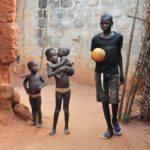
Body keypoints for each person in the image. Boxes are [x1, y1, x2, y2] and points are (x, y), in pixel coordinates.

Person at [91, 14, 124, 139]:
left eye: (106, 23)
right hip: (100, 73)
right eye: (102, 23)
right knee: (104, 100)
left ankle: (114, 120)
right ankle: (109, 128)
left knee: (114, 99)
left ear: (112, 23)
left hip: (114, 73)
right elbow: (93, 54)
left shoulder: (118, 37)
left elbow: (119, 55)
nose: (104, 25)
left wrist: (122, 72)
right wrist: (95, 57)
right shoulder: (96, 39)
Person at [45, 48, 74, 135]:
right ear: (48, 59)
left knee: (66, 109)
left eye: (54, 55)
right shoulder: (51, 66)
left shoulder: (63, 62)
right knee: (57, 110)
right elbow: (50, 74)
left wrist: (67, 67)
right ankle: (54, 128)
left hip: (67, 90)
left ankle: (66, 127)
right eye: (51, 57)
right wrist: (60, 69)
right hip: (59, 90)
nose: (53, 57)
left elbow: (72, 72)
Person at [23, 60, 46, 128]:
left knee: (38, 108)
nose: (36, 67)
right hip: (31, 95)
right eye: (34, 66)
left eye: (37, 65)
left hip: (38, 95)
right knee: (33, 108)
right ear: (29, 68)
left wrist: (41, 86)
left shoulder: (39, 75)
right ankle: (34, 121)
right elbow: (24, 82)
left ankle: (40, 122)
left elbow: (44, 82)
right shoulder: (28, 77)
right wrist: (26, 89)